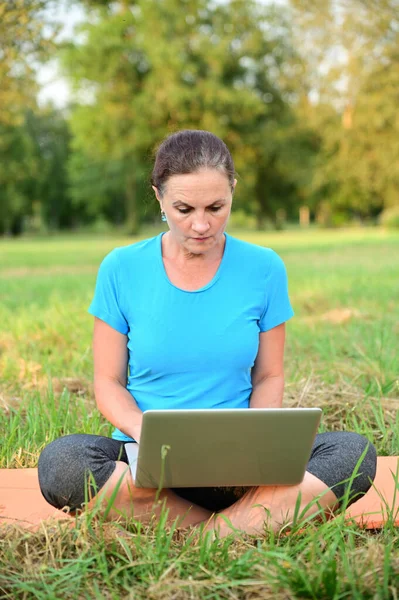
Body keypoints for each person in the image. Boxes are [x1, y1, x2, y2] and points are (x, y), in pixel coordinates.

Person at [38, 130, 376, 537]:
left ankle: (199, 535)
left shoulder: (264, 268)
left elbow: (269, 375)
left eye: (216, 207)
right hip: (148, 464)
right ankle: (238, 528)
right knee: (62, 463)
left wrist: (257, 439)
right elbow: (107, 382)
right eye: (184, 208)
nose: (201, 224)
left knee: (353, 453)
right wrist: (147, 432)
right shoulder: (121, 268)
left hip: (241, 466)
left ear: (233, 190)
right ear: (158, 197)